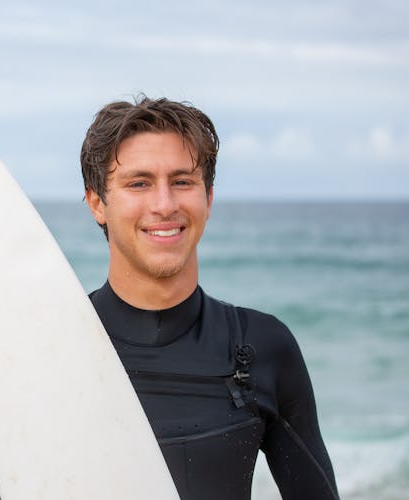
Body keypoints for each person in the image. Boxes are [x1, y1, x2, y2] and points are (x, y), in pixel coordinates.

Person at [80, 96, 339, 500]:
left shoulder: (261, 348)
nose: (164, 204)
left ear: (208, 199)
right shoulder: (56, 343)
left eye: (182, 181)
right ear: (98, 202)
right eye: (139, 183)